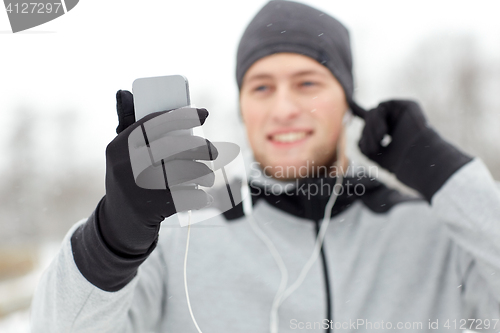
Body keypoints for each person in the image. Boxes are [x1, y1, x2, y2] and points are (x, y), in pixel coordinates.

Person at [31, 1, 500, 332]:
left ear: (349, 101)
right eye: (261, 88)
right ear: (242, 106)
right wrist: (112, 239)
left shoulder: (431, 231)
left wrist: (452, 177)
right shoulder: (180, 238)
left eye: (308, 83)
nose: (283, 108)